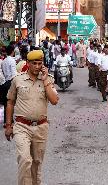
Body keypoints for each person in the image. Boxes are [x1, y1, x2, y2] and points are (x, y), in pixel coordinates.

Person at [4, 50, 59, 185]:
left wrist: (45, 80)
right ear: (28, 63)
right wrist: (9, 125)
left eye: (40, 63)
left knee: (36, 162)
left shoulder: (48, 79)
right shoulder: (18, 80)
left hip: (40, 127)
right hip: (22, 126)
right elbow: (10, 102)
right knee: (25, 159)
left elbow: (54, 100)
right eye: (34, 63)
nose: (37, 66)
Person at [1, 45, 17, 127]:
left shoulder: (4, 61)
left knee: (6, 103)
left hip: (5, 82)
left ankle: (6, 121)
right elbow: (14, 74)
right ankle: (10, 121)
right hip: (11, 82)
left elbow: (3, 72)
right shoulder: (12, 61)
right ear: (12, 51)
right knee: (11, 102)